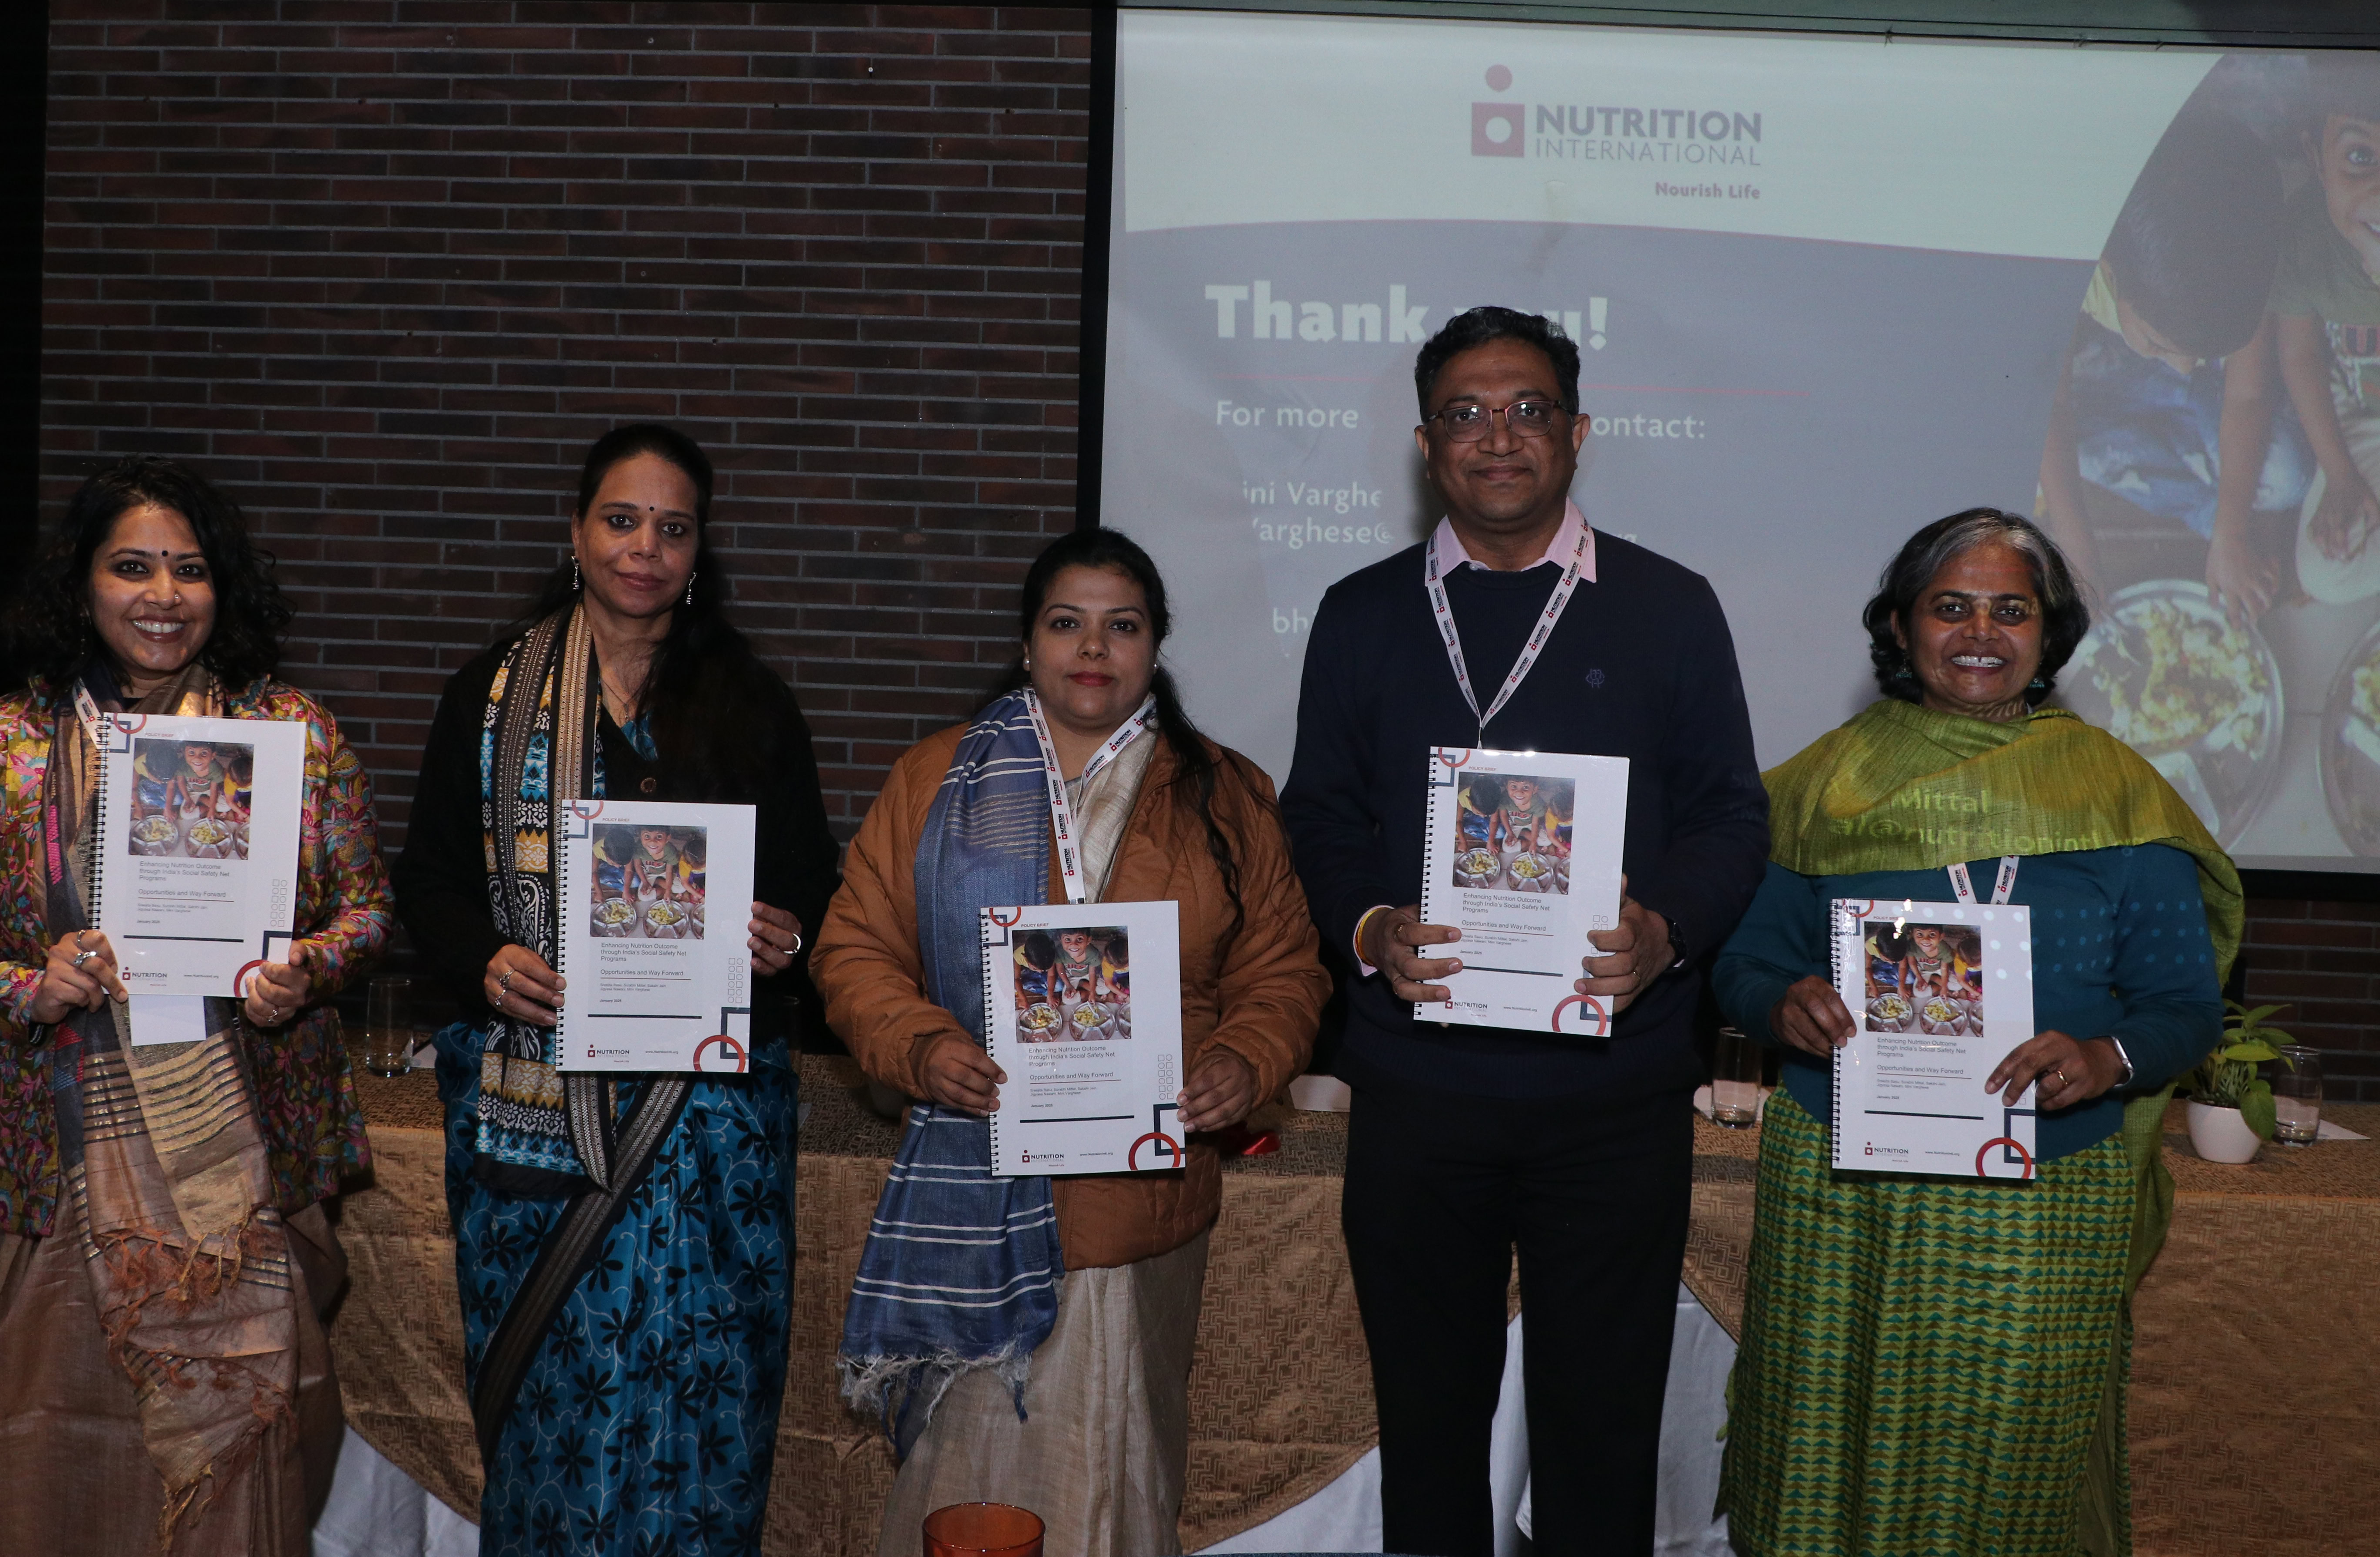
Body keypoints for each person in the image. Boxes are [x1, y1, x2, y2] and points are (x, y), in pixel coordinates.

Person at [1280, 306, 1771, 1557]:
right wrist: (1373, 922)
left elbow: (1730, 816)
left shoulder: (1670, 606)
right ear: (1425, 444)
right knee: (1429, 1432)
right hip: (1419, 1089)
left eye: (1527, 409)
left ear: (1578, 433)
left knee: (1601, 1439)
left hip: (1612, 1094)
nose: (1497, 437)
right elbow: (1321, 814)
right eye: (1464, 414)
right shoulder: (1361, 611)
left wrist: (1669, 932)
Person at [0, 455, 393, 1556]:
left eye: (190, 569)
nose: (163, 594)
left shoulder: (291, 735)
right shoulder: (0, 744)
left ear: (224, 589)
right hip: (56, 1154)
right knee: (53, 1425)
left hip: (244, 1146)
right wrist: (30, 983)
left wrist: (305, 967)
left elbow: (367, 914)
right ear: (81, 586)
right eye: (132, 567)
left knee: (254, 1419)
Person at [1711, 507, 2234, 1557]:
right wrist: (1778, 1003)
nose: (1980, 631)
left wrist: (2106, 1057)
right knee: (1821, 1457)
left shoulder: (2120, 793)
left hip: (2045, 1190)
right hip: (1842, 1179)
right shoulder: (1825, 783)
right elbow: (1740, 960)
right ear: (1901, 628)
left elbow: (2183, 1005)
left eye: (2011, 609)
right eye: (1950, 606)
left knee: (2006, 1473)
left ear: (2051, 635)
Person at [818, 527, 1330, 1557]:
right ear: (1027, 642)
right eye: (1067, 623)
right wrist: (922, 1045)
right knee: (969, 1490)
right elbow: (853, 951)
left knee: (1118, 1480)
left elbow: (1284, 970)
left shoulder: (1224, 793)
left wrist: (1245, 1059)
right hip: (977, 1181)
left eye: (1122, 625)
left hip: (1140, 1203)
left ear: (1155, 646)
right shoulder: (935, 781)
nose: (1092, 648)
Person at [393, 422, 840, 1556]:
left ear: (699, 555)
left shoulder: (752, 705)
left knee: (702, 1404)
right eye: (622, 520)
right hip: (537, 1132)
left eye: (673, 529)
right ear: (578, 531)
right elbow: (431, 883)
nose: (645, 548)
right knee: (556, 1419)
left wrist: (787, 934)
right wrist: (486, 960)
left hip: (711, 1142)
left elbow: (811, 886)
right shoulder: (490, 698)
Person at [2036, 108, 2297, 615]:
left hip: (2202, 381)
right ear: (2110, 277)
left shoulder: (2239, 257)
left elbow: (2246, 392)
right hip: (2100, 368)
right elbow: (2051, 402)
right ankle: (2202, 483)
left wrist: (2230, 532)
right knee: (2044, 453)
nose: (2183, 367)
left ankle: (2213, 516)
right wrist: (2078, 549)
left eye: (2197, 354)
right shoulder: (2066, 263)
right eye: (2160, 345)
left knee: (2286, 476)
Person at [2270, 58, 2380, 602]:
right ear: (2317, 158)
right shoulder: (2304, 238)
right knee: (2326, 573)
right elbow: (2300, 356)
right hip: (2362, 412)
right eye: (2361, 157)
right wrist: (2341, 477)